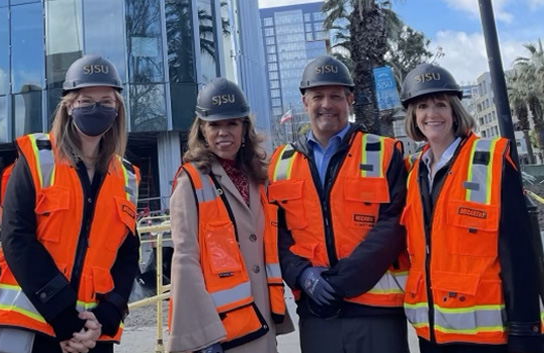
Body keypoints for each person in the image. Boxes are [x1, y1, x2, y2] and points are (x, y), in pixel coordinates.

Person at [0, 55, 140, 353]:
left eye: (106, 101)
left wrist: (107, 315)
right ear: (69, 105)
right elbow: (16, 238)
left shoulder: (126, 176)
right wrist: (64, 317)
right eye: (86, 100)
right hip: (28, 326)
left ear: (118, 109)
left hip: (92, 333)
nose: (96, 108)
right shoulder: (36, 158)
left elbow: (127, 256)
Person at [398, 63, 544, 353]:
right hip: (433, 334)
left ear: (455, 111)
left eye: (440, 104)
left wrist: (525, 331)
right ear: (413, 116)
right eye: (422, 106)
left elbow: (518, 252)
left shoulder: (490, 161)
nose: (431, 114)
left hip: (488, 337)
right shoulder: (415, 171)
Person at [268, 55, 410, 353]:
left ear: (350, 100)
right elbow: (275, 233)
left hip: (377, 312)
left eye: (336, 96)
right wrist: (303, 276)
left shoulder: (384, 152)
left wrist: (340, 283)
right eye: (317, 96)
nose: (326, 104)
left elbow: (394, 223)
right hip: (317, 313)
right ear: (304, 102)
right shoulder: (280, 162)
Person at [166, 78, 293, 353]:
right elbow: (185, 261)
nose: (223, 132)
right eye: (214, 125)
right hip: (222, 331)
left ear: (244, 129)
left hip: (262, 323)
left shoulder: (259, 179)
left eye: (232, 124)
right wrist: (202, 337)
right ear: (202, 130)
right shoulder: (191, 182)